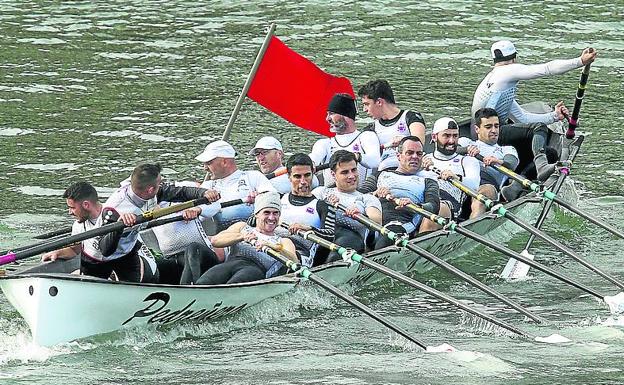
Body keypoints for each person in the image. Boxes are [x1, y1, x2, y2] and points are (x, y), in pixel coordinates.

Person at [471, 40, 597, 180]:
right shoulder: (508, 71)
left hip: (478, 132)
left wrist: (554, 116)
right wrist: (580, 61)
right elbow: (547, 69)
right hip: (492, 132)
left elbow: (522, 118)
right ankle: (541, 166)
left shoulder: (494, 80)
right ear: (514, 58)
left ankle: (517, 184)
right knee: (539, 128)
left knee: (550, 153)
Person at [94, 163, 214, 282]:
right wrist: (118, 228)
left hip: (131, 250)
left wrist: (202, 196)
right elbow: (105, 249)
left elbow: (181, 193)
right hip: (105, 254)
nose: (161, 185)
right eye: (159, 184)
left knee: (189, 251)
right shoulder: (117, 209)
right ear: (150, 190)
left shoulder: (154, 192)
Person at [359, 136, 448, 249]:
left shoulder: (428, 182)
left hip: (401, 226)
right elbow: (358, 196)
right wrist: (374, 194)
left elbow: (434, 206)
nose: (415, 157)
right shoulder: (379, 175)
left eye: (419, 154)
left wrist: (415, 206)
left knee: (392, 231)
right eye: (410, 153)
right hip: (372, 225)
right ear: (399, 156)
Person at [195, 191, 297, 285]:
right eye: (266, 212)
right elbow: (216, 241)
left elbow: (295, 262)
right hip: (231, 263)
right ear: (256, 214)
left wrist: (272, 246)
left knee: (235, 283)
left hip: (256, 270)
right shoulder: (242, 227)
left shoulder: (283, 241)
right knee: (204, 282)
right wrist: (241, 237)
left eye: (275, 213)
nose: (271, 217)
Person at [312, 150, 382, 261]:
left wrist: (360, 216)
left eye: (354, 170)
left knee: (343, 242)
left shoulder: (367, 198)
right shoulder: (321, 192)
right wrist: (325, 206)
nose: (351, 176)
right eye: (345, 172)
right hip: (321, 239)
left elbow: (376, 220)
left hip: (351, 241)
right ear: (333, 175)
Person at [195, 140, 276, 232]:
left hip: (252, 235)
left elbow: (273, 199)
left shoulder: (253, 177)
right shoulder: (207, 187)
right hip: (220, 239)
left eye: (208, 163)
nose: (205, 168)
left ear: (224, 162)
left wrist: (261, 200)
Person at [309, 93, 381, 187]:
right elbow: (314, 157)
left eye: (332, 114)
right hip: (331, 197)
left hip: (361, 194)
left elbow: (375, 161)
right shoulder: (325, 143)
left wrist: (356, 156)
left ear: (346, 115)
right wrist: (310, 163)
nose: (327, 119)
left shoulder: (366, 137)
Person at [458, 108, 519, 215]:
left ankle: (473, 227)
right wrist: (465, 150)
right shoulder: (465, 142)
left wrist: (498, 161)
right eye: (488, 127)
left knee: (482, 197)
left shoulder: (507, 149)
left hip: (486, 185)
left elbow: (511, 163)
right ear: (477, 129)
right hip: (460, 181)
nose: (494, 130)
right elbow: (449, 151)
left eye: (496, 126)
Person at [280, 153, 336, 267]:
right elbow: (253, 221)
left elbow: (331, 235)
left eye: (307, 175)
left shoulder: (322, 206)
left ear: (313, 174)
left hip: (303, 253)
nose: (303, 181)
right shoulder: (279, 199)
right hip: (275, 245)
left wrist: (309, 228)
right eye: (297, 176)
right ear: (289, 176)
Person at [358, 79, 426, 171]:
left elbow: (419, 144)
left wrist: (403, 141)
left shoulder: (412, 117)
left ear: (379, 102)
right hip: (383, 173)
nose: (364, 110)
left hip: (410, 171)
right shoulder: (370, 129)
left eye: (367, 104)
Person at [422, 118, 481, 219]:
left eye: (455, 136)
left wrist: (456, 177)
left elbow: (475, 186)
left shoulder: (467, 161)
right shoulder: (423, 159)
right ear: (434, 137)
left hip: (447, 205)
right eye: (446, 136)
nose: (452, 141)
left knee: (436, 209)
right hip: (422, 200)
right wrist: (418, 169)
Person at [41, 182, 103, 265]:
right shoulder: (78, 225)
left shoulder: (115, 213)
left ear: (86, 205)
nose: (69, 212)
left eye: (72, 208)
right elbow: (74, 250)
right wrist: (58, 253)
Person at [249, 136, 318, 195]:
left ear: (279, 154)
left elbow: (314, 181)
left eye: (265, 152)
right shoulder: (257, 179)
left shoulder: (290, 175)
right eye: (257, 154)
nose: (260, 158)